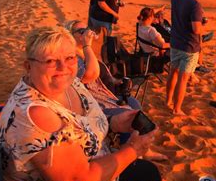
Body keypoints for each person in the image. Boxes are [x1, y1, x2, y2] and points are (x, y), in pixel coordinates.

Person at [0, 26, 168, 181]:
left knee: (150, 175)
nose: (63, 68)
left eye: (69, 58)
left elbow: (82, 126)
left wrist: (114, 123)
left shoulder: (72, 83)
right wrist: (134, 149)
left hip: (96, 166)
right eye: (50, 61)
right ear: (28, 66)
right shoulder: (36, 114)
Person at [65, 19, 168, 161]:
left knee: (134, 104)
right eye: (81, 31)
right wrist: (88, 46)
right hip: (91, 102)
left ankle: (141, 148)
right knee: (128, 113)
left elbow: (102, 74)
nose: (87, 33)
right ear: (71, 36)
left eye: (87, 29)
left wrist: (114, 81)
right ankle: (132, 151)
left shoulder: (84, 52)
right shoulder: (72, 57)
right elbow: (89, 75)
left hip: (105, 93)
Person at [166, 0, 208, 115]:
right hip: (189, 47)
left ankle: (168, 101)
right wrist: (204, 25)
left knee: (173, 73)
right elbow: (196, 29)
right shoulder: (195, 4)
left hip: (175, 42)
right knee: (183, 79)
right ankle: (177, 109)